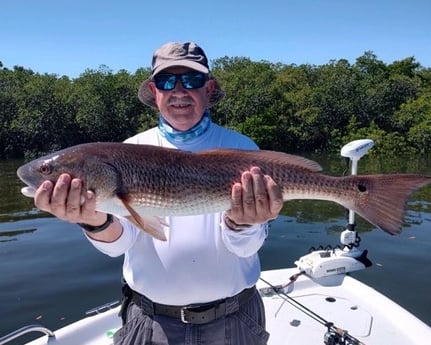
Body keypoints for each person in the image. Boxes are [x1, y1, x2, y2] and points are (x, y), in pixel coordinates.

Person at [34, 41, 284, 345]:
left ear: (208, 88)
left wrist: (243, 223)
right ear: (155, 92)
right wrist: (94, 221)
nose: (179, 91)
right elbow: (120, 244)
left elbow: (246, 249)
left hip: (234, 320)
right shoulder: (129, 150)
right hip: (150, 322)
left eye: (192, 80)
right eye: (167, 81)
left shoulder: (243, 151)